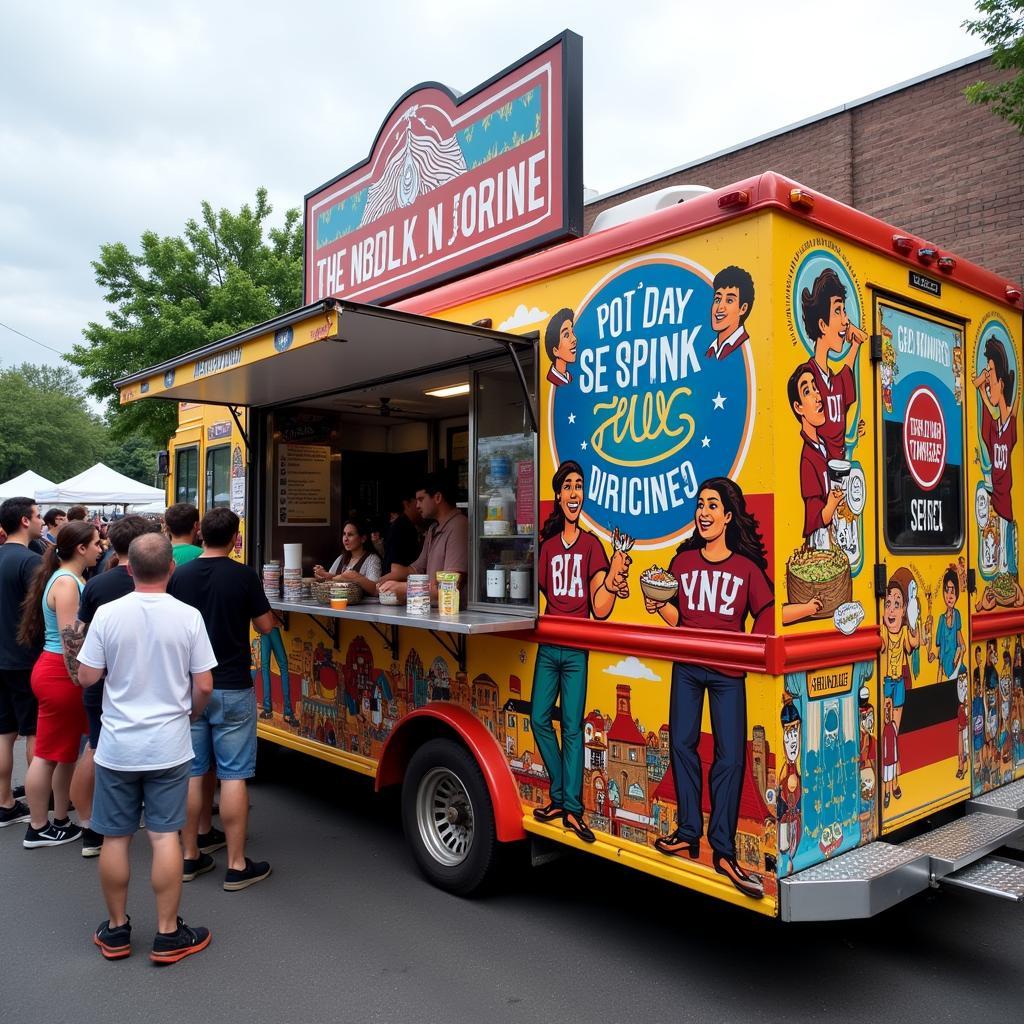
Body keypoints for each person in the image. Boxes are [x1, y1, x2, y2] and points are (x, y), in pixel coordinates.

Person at [78, 533, 216, 963]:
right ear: (171, 569)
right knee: (163, 836)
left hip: (118, 744)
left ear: (129, 568)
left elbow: (86, 677)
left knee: (115, 838)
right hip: (168, 745)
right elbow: (205, 684)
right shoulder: (189, 616)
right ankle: (168, 933)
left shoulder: (107, 614)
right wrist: (189, 715)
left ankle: (117, 931)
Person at [643, 477, 774, 899]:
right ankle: (687, 831)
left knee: (730, 759)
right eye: (700, 504)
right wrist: (660, 605)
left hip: (728, 673)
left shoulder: (747, 569)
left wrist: (752, 649)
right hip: (686, 667)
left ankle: (724, 849)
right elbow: (677, 620)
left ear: (728, 516)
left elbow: (767, 612)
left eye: (712, 505)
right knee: (681, 745)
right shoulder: (682, 565)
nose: (703, 512)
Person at [168, 507, 275, 890]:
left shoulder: (180, 575)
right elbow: (265, 626)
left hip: (192, 687)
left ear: (201, 535)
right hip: (232, 685)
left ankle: (189, 855)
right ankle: (235, 864)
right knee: (233, 775)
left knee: (194, 773)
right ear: (234, 538)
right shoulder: (244, 576)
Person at [530, 461, 630, 843]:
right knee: (540, 718)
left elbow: (600, 607)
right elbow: (530, 594)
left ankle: (570, 808)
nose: (574, 493)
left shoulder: (591, 545)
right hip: (547, 645)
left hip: (577, 651)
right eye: (568, 486)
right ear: (558, 496)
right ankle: (561, 790)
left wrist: (617, 569)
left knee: (572, 728)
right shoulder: (548, 546)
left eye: (579, 486)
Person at [73, 515, 162, 856]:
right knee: (159, 758)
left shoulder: (97, 584)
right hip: (153, 683)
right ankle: (161, 826)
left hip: (104, 684)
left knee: (97, 749)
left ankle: (92, 826)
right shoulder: (162, 582)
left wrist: (80, 676)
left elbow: (78, 637)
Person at [17, 520, 103, 847]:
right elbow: (72, 640)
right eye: (96, 543)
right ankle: (38, 826)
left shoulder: (66, 578)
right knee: (48, 754)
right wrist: (79, 678)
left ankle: (59, 820)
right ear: (81, 548)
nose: (101, 547)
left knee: (62, 752)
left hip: (56, 670)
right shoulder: (67, 582)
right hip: (60, 673)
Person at [0, 497, 44, 827]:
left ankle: (4, 801)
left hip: (2, 656)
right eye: (38, 515)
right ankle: (35, 802)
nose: (41, 520)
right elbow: (42, 613)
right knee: (33, 733)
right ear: (25, 521)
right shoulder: (30, 563)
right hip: (25, 657)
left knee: (4, 733)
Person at [798, 267, 867, 461]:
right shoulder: (808, 379)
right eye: (838, 311)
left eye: (845, 311)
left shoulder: (834, 380)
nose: (846, 320)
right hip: (824, 476)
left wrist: (855, 344)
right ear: (822, 325)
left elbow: (848, 373)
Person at [378, 472, 468, 606]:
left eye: (421, 499)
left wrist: (403, 588)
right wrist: (380, 582)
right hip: (432, 611)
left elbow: (450, 586)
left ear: (437, 498)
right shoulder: (433, 529)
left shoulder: (459, 526)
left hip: (453, 614)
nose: (417, 506)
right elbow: (415, 569)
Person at [313, 517, 382, 596]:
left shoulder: (372, 559)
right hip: (338, 604)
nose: (345, 539)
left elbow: (375, 589)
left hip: (362, 607)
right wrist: (322, 575)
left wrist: (356, 577)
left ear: (363, 538)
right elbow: (331, 581)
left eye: (350, 535)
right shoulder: (341, 558)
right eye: (344, 534)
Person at [705, 265, 755, 361]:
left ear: (743, 308)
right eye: (717, 299)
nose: (720, 307)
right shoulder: (710, 352)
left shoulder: (744, 348)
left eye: (729, 301)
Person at [382, 492, 422, 574]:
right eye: (418, 501)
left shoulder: (404, 525)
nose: (420, 506)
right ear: (407, 504)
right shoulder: (403, 528)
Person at [544, 308, 576, 387]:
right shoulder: (553, 380)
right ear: (555, 351)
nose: (574, 339)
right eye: (566, 335)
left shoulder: (569, 379)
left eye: (572, 332)